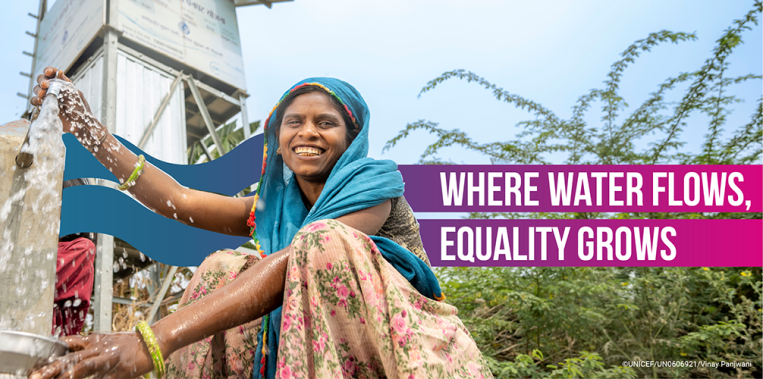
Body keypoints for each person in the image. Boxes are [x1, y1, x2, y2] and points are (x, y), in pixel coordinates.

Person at [29, 67, 491, 379]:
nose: (307, 132)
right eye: (294, 122)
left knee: (321, 242)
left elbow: (299, 259)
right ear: (278, 136)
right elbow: (176, 199)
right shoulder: (272, 208)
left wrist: (154, 339)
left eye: (325, 122)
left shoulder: (375, 187)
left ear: (352, 137)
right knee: (225, 268)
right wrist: (86, 126)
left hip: (404, 350)